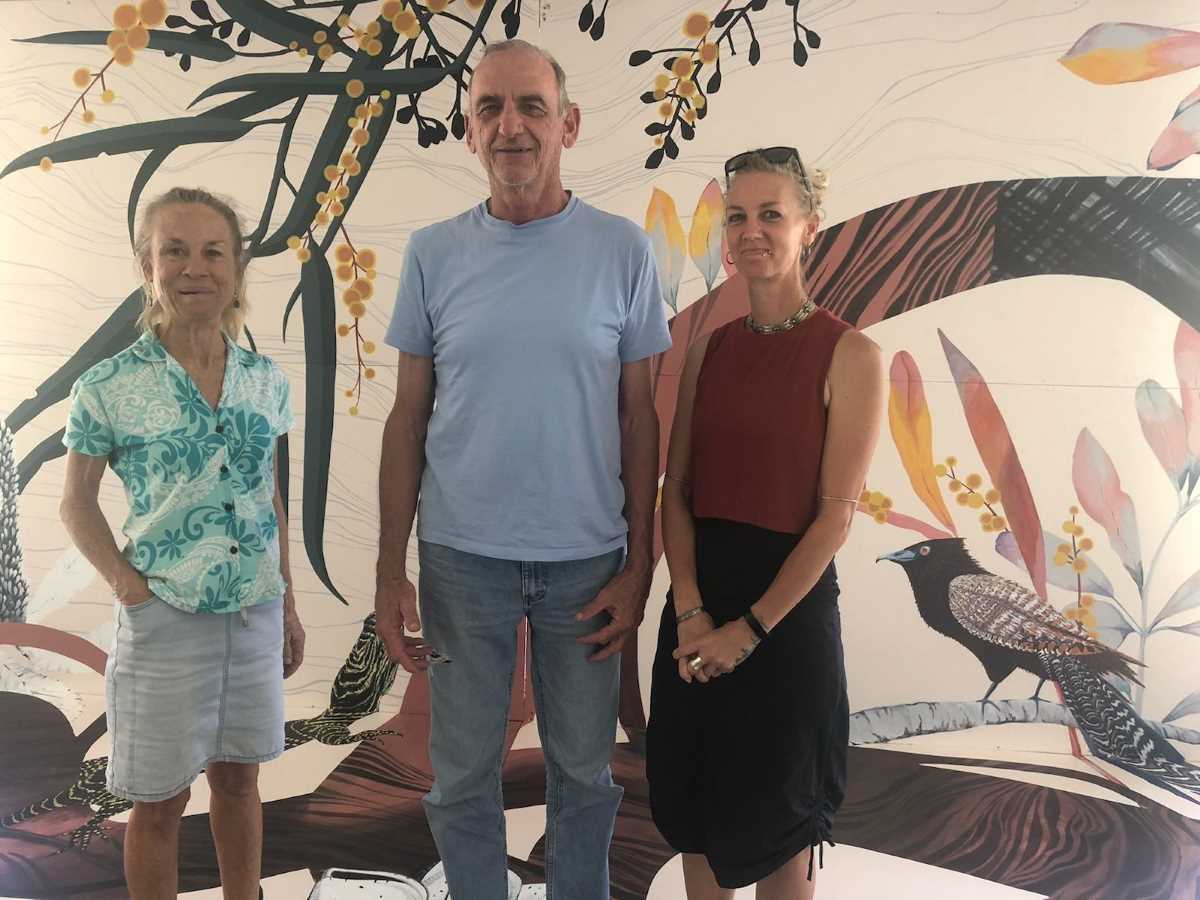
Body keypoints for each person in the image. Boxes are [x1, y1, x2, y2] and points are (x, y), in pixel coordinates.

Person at [374, 39, 671, 900]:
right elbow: (408, 416)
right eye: (490, 109)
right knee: (462, 777)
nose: (511, 126)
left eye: (531, 107)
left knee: (583, 775)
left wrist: (640, 566)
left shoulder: (623, 251)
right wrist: (390, 568)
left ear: (568, 125)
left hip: (587, 561)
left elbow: (640, 417)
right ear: (469, 132)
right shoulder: (432, 253)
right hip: (462, 559)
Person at [646, 148, 884, 900]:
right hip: (697, 611)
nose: (752, 231)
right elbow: (677, 490)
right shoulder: (708, 351)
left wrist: (745, 632)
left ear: (809, 226)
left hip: (785, 622)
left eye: (771, 214)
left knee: (781, 827)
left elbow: (835, 519)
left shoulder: (852, 354)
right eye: (738, 216)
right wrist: (692, 612)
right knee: (698, 819)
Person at [60, 187, 305, 899]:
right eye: (175, 251)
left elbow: (267, 496)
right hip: (163, 620)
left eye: (212, 252)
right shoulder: (107, 386)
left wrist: (288, 603)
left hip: (253, 614)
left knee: (240, 782)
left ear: (237, 267)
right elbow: (76, 504)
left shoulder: (265, 381)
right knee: (159, 802)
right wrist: (130, 588)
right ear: (148, 265)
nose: (195, 268)